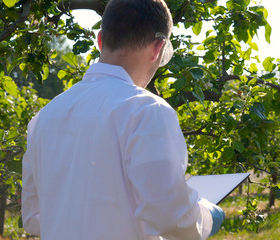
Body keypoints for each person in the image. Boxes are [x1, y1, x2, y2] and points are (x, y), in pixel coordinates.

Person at [21, 0, 224, 239]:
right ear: (157, 48)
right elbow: (170, 216)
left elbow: (33, 218)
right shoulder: (147, 110)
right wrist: (209, 215)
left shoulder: (44, 118)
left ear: (100, 40)